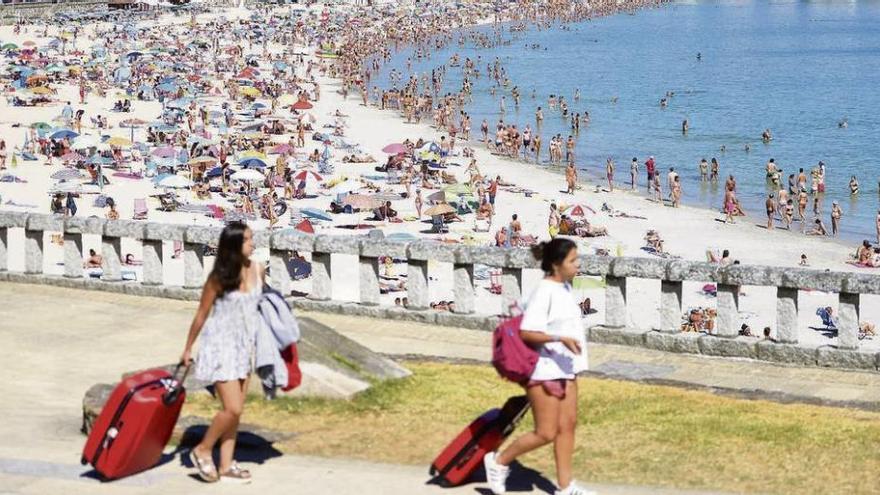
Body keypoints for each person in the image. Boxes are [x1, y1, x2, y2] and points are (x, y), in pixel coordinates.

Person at [483, 238, 590, 495]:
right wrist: (560, 338)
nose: (578, 265)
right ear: (556, 264)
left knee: (568, 426)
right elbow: (527, 332)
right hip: (543, 370)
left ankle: (565, 487)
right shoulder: (545, 290)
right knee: (546, 432)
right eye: (572, 260)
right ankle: (498, 462)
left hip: (566, 368)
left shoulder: (564, 287)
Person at [181, 223, 262, 484]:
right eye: (248, 240)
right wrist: (187, 347)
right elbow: (202, 314)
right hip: (220, 347)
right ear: (234, 245)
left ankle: (226, 465)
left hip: (244, 347)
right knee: (232, 408)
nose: (253, 244)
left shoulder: (258, 270)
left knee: (237, 413)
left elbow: (262, 308)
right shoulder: (219, 278)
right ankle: (203, 448)